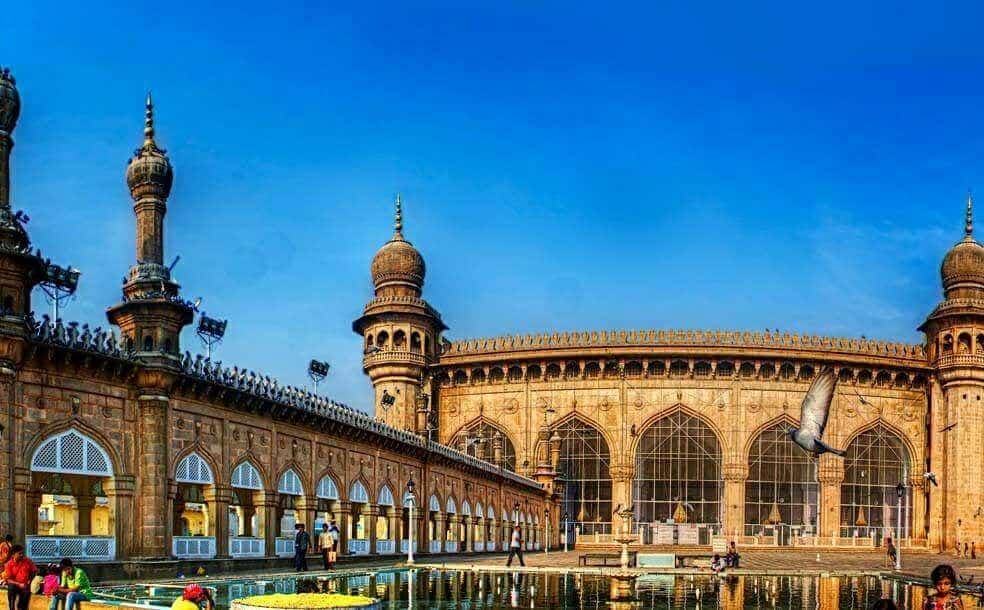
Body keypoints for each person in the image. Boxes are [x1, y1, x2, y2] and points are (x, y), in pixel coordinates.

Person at [4, 544, 37, 610]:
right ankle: (12, 608)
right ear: (13, 555)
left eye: (22, 553)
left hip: (25, 585)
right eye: (19, 553)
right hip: (15, 585)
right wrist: (19, 584)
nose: (22, 555)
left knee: (26, 592)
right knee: (11, 588)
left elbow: (34, 571)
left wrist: (30, 580)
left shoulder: (28, 561)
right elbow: (8, 580)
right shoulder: (8, 564)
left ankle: (21, 608)